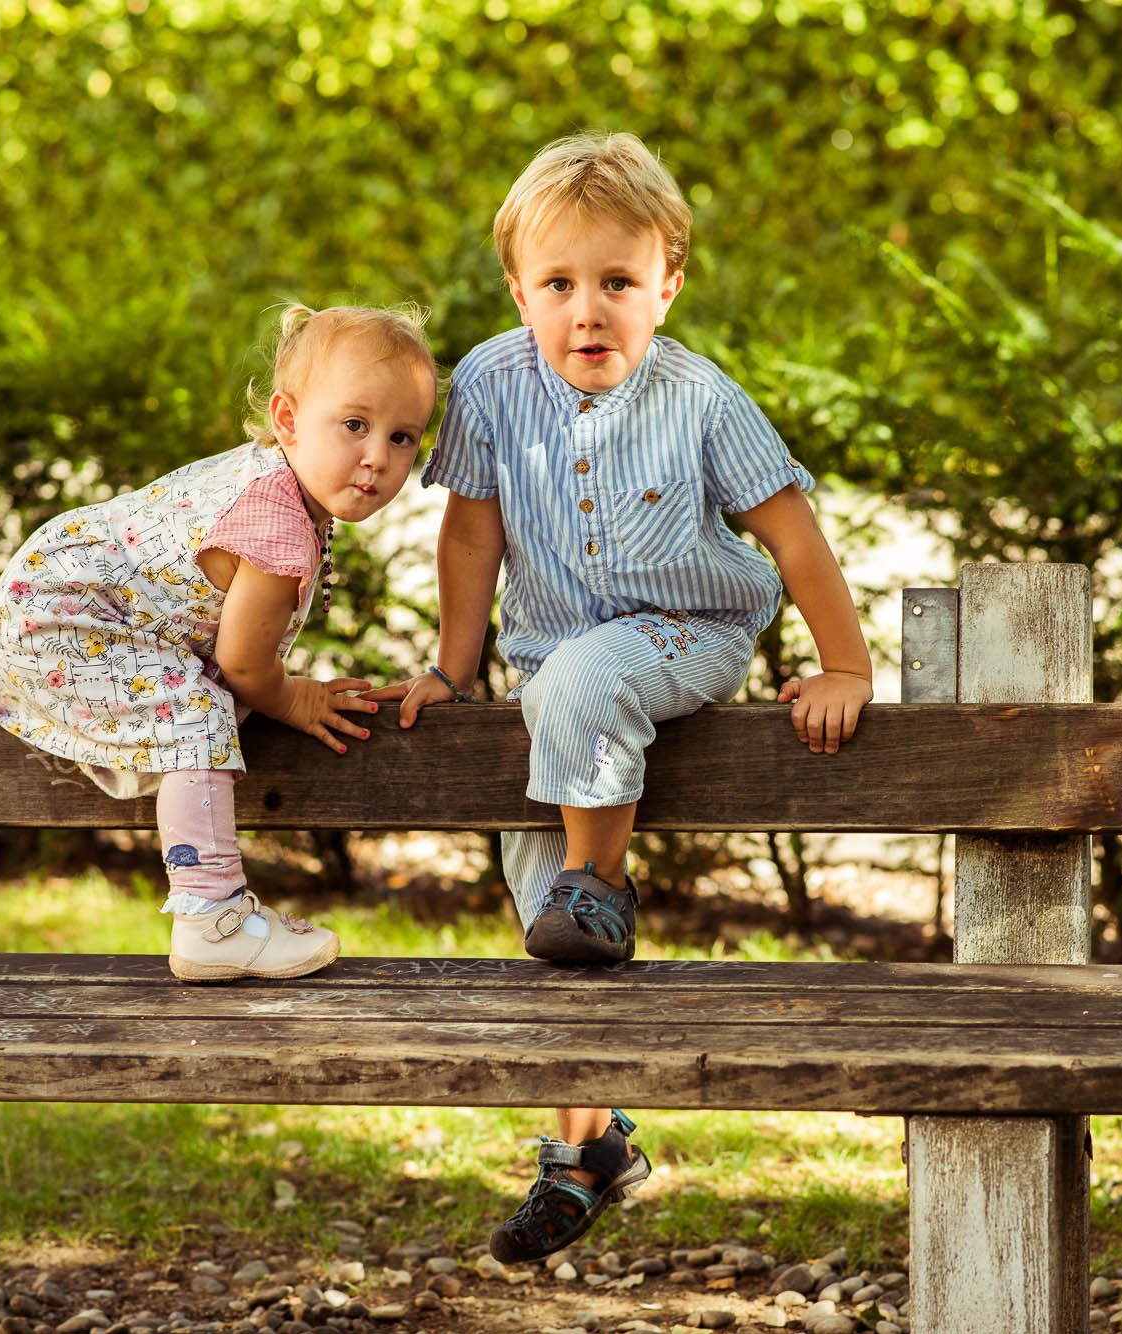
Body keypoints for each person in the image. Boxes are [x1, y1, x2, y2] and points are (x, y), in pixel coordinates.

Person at [366, 133, 873, 1264]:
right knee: (544, 925)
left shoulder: (701, 398)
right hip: (548, 678)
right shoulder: (494, 382)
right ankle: (585, 1153)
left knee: (576, 862)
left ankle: (603, 879)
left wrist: (844, 665)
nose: (586, 311)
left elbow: (790, 536)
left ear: (667, 285)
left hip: (685, 638)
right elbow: (471, 531)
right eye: (557, 285)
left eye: (616, 284)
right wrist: (454, 669)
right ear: (517, 290)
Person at [0, 304, 438, 983]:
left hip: (51, 596)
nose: (377, 458)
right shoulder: (279, 528)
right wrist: (297, 698)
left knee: (174, 682)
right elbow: (246, 665)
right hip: (69, 613)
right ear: (287, 419)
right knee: (195, 713)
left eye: (403, 439)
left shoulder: (265, 477)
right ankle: (211, 918)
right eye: (356, 425)